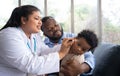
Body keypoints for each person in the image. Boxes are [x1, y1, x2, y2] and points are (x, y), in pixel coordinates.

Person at [0, 5, 74, 76]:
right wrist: (61, 54)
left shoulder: (34, 35)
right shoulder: (8, 35)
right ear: (23, 20)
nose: (40, 22)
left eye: (40, 19)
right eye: (36, 18)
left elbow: (44, 51)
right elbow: (29, 64)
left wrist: (66, 46)